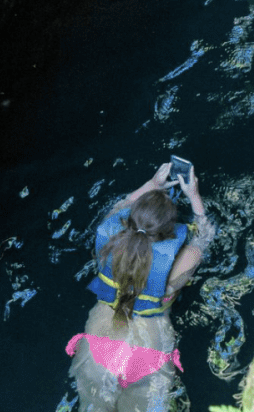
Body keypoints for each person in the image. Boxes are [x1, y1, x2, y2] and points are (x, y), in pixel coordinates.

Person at [66, 162, 214, 412]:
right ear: (170, 234)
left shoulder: (107, 244)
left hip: (98, 351)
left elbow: (120, 205)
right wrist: (194, 196)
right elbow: (205, 235)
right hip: (147, 357)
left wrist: (152, 185)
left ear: (129, 221)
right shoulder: (179, 265)